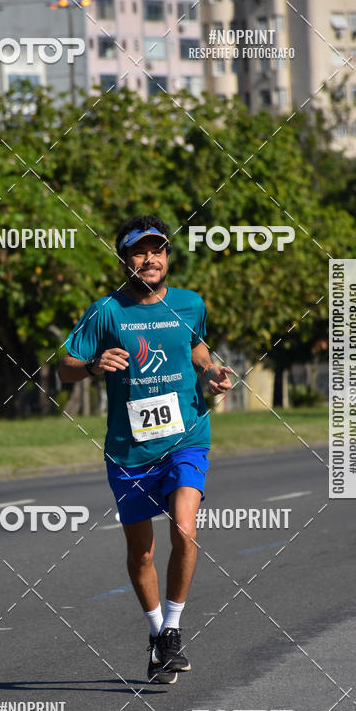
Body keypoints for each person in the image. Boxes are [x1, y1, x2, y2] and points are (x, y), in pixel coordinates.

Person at [58, 215, 232, 683]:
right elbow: (63, 369)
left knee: (185, 529)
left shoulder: (191, 304)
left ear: (168, 257)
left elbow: (196, 351)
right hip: (129, 449)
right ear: (124, 258)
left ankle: (172, 630)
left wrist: (210, 373)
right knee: (141, 553)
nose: (150, 258)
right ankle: (157, 635)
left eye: (158, 250)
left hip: (186, 437)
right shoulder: (106, 312)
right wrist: (94, 365)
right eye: (140, 251)